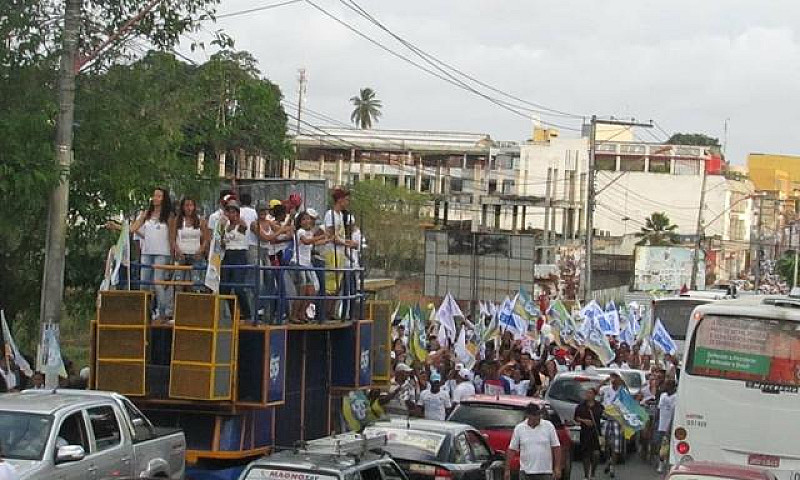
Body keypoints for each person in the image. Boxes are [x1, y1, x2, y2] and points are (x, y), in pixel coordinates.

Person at [131, 187, 175, 322]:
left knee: (158, 283)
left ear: (163, 198)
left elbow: (171, 236)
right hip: (147, 252)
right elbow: (134, 228)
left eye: (159, 196)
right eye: (154, 196)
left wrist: (173, 254)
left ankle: (162, 312)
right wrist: (119, 227)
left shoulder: (169, 215)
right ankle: (146, 312)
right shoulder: (146, 214)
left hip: (162, 252)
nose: (155, 198)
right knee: (144, 284)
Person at [323, 187, 358, 319]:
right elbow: (331, 235)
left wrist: (348, 243)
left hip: (340, 253)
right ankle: (326, 312)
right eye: (346, 200)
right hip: (332, 252)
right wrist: (347, 243)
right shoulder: (330, 214)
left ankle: (332, 312)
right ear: (340, 200)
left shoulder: (340, 216)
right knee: (330, 285)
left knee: (337, 285)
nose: (347, 203)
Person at [506, 403, 562, 480]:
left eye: (539, 415)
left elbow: (556, 447)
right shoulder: (519, 428)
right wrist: (507, 470)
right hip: (526, 472)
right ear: (528, 415)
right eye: (535, 415)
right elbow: (512, 449)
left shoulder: (548, 426)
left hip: (545, 472)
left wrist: (557, 467)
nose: (538, 417)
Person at [291, 211, 326, 323]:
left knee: (311, 291)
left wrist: (328, 239)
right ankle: (294, 314)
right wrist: (321, 236)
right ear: (300, 222)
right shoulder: (300, 232)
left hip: (306, 263)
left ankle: (302, 312)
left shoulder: (309, 232)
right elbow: (306, 242)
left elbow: (313, 244)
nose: (307, 221)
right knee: (301, 290)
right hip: (298, 262)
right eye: (304, 219)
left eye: (308, 219)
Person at [220, 200, 251, 322]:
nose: (231, 214)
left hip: (239, 255)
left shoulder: (241, 225)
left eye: (233, 212)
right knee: (225, 288)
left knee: (238, 287)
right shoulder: (226, 227)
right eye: (229, 212)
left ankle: (247, 313)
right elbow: (222, 242)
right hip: (228, 254)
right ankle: (234, 314)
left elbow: (243, 227)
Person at [169, 197, 208, 292]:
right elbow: (172, 239)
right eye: (186, 205)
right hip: (181, 255)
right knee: (179, 284)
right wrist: (177, 251)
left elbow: (206, 239)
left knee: (196, 284)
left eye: (191, 205)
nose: (189, 208)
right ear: (182, 207)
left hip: (196, 255)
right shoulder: (177, 220)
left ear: (194, 207)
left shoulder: (200, 220)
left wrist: (201, 250)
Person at [598, 373, 626, 477]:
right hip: (606, 419)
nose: (614, 381)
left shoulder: (622, 392)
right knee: (605, 445)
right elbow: (596, 391)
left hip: (617, 421)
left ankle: (612, 467)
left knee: (616, 446)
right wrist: (603, 381)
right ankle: (608, 461)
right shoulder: (606, 389)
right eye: (612, 378)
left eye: (616, 378)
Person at [574, 388, 603, 480]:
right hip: (585, 433)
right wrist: (584, 421)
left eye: (590, 393)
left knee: (596, 454)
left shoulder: (599, 406)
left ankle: (593, 472)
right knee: (586, 454)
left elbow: (604, 415)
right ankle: (586, 475)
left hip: (596, 432)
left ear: (594, 395)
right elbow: (576, 418)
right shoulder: (581, 406)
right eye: (587, 393)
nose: (588, 395)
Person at [240, 193, 259, 320]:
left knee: (242, 277)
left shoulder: (238, 211)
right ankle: (252, 311)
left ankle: (242, 309)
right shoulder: (253, 212)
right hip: (252, 245)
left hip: (241, 245)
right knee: (252, 278)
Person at [655, 380, 678, 473]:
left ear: (672, 387)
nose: (665, 386)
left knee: (665, 447)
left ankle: (663, 466)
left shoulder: (676, 397)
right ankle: (662, 462)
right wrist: (655, 422)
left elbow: (674, 413)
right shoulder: (663, 396)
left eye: (667, 385)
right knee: (659, 445)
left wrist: (669, 428)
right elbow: (659, 409)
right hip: (660, 425)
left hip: (670, 427)